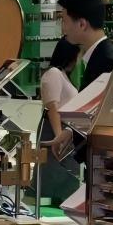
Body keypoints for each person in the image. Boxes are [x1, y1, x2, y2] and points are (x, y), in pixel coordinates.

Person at [38, 39, 81, 200]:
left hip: (64, 128)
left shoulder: (62, 75)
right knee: (55, 169)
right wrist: (58, 136)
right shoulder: (54, 73)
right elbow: (52, 107)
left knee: (64, 172)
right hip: (55, 128)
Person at [58, 0, 113, 89]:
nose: (63, 29)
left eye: (64, 21)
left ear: (82, 24)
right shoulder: (101, 56)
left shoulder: (108, 63)